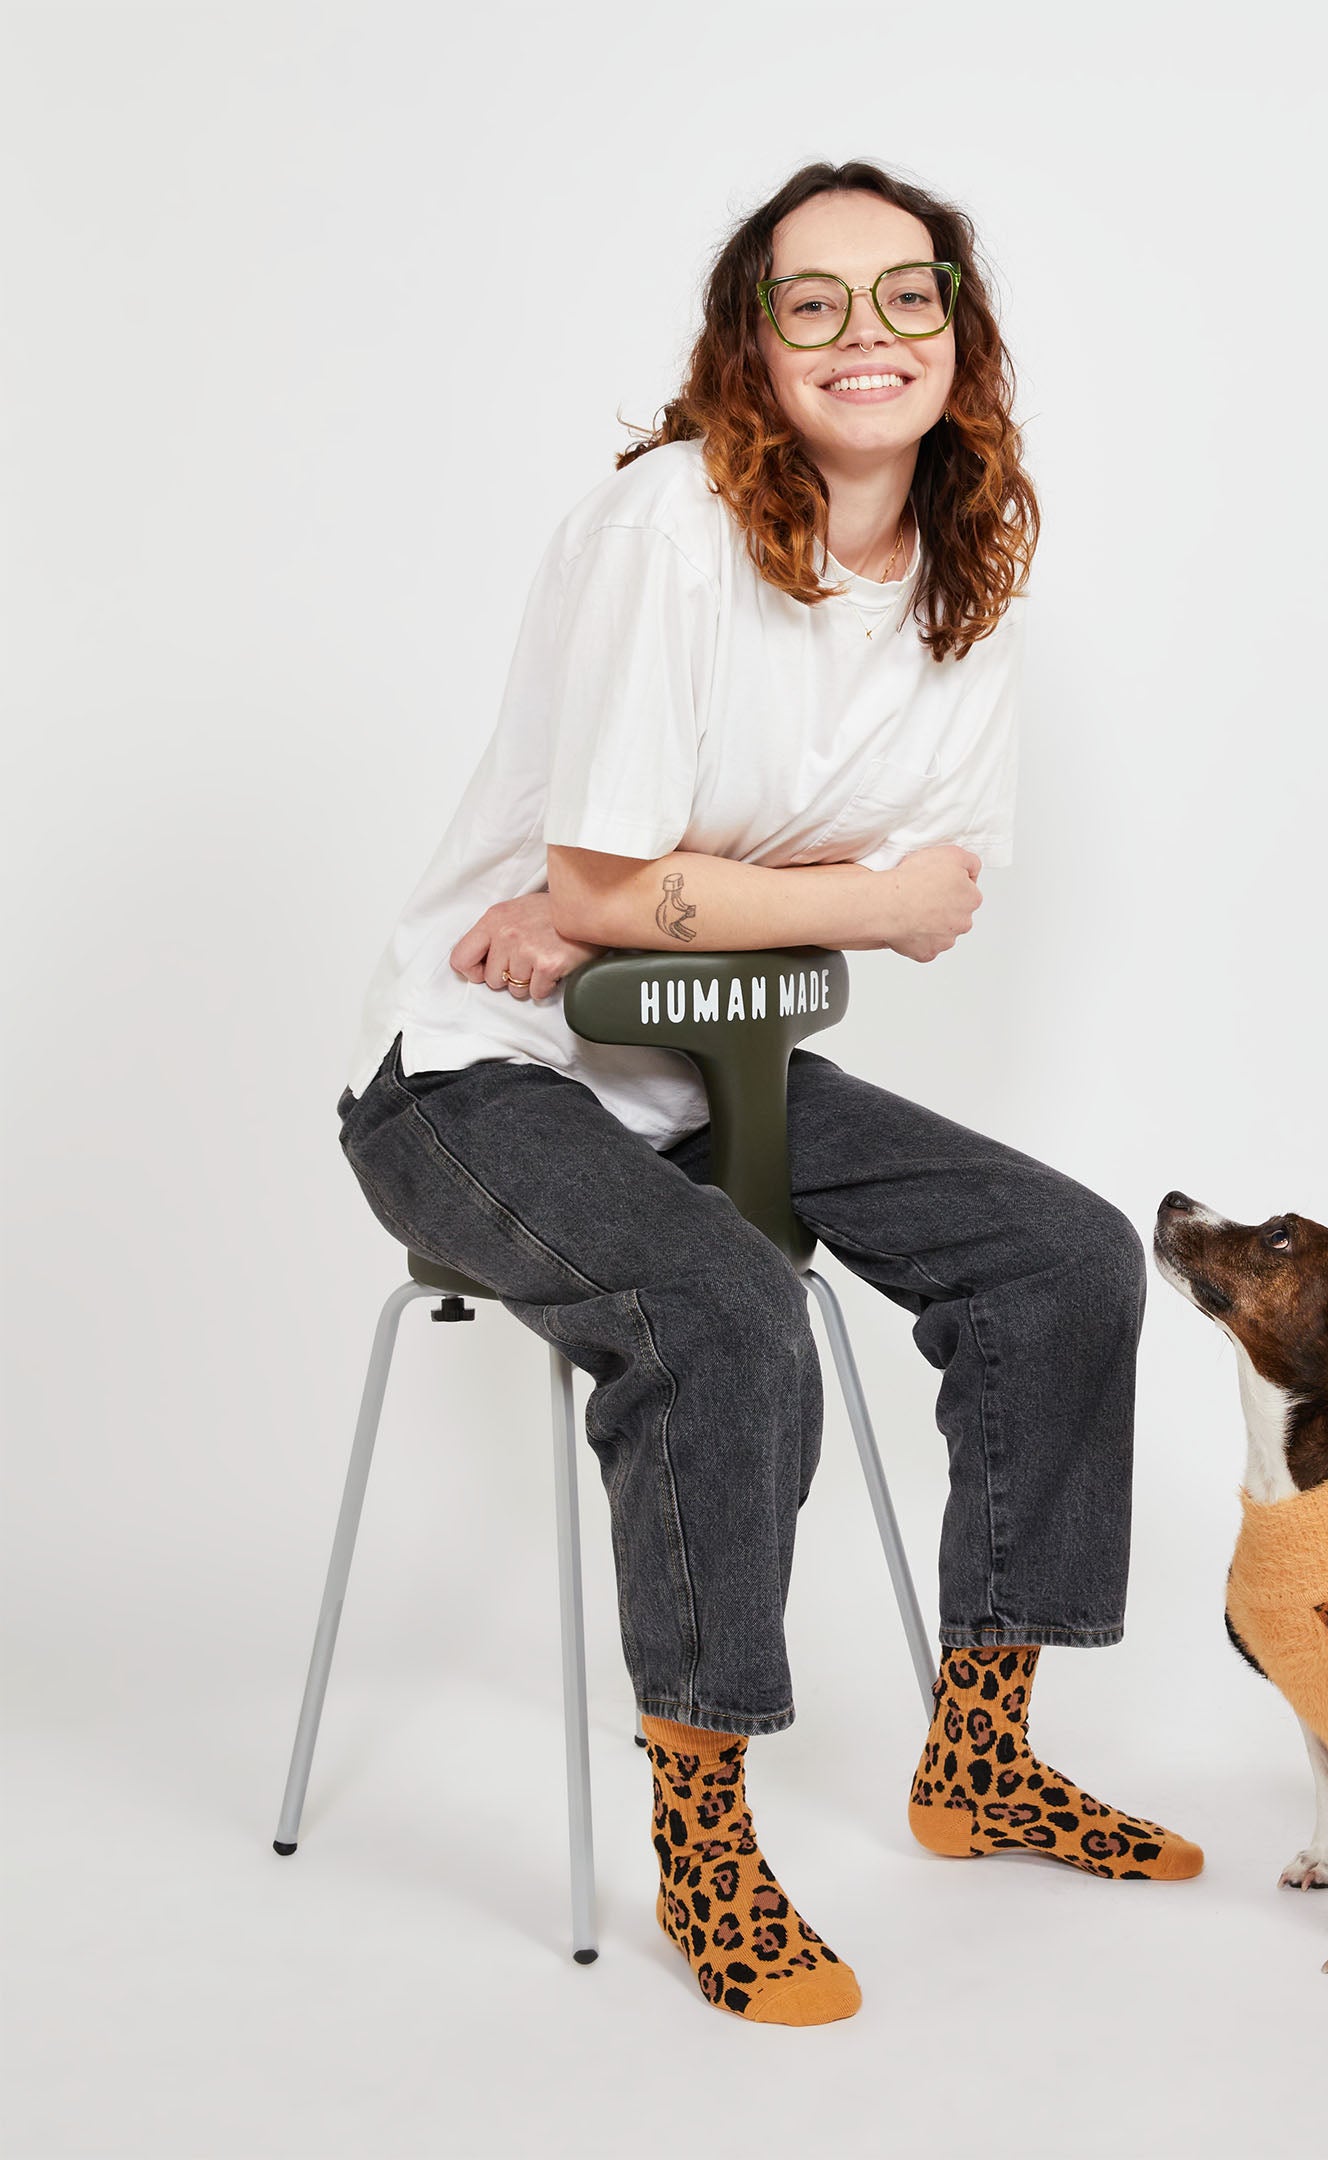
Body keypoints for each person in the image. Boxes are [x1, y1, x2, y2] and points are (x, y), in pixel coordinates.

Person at [333, 160, 1200, 2028]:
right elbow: (719, 891)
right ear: (753, 343)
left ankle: (979, 1753)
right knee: (727, 1311)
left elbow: (934, 907)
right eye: (812, 301)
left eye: (907, 293)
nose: (864, 332)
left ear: (960, 334)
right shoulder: (672, 527)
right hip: (475, 1085)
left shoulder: (966, 590)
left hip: (707, 1053)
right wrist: (676, 903)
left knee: (1064, 1261)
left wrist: (643, 908)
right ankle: (706, 1830)